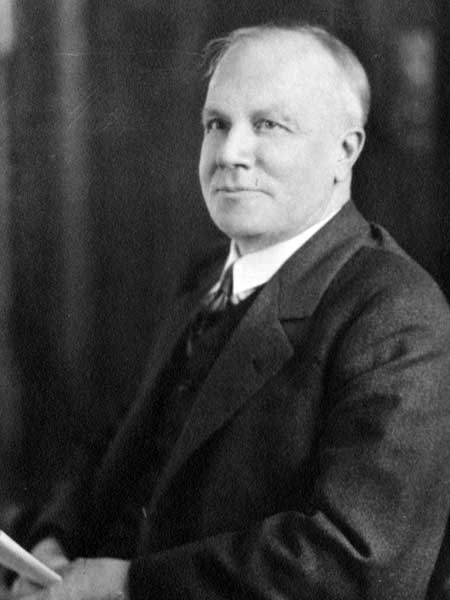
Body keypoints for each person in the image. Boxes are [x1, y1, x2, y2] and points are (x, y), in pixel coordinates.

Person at [11, 21, 450, 600]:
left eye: (268, 125)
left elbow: (356, 564)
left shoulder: (396, 312)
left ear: (345, 151)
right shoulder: (206, 277)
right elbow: (118, 444)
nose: (229, 153)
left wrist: (126, 584)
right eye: (216, 124)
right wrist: (50, 540)